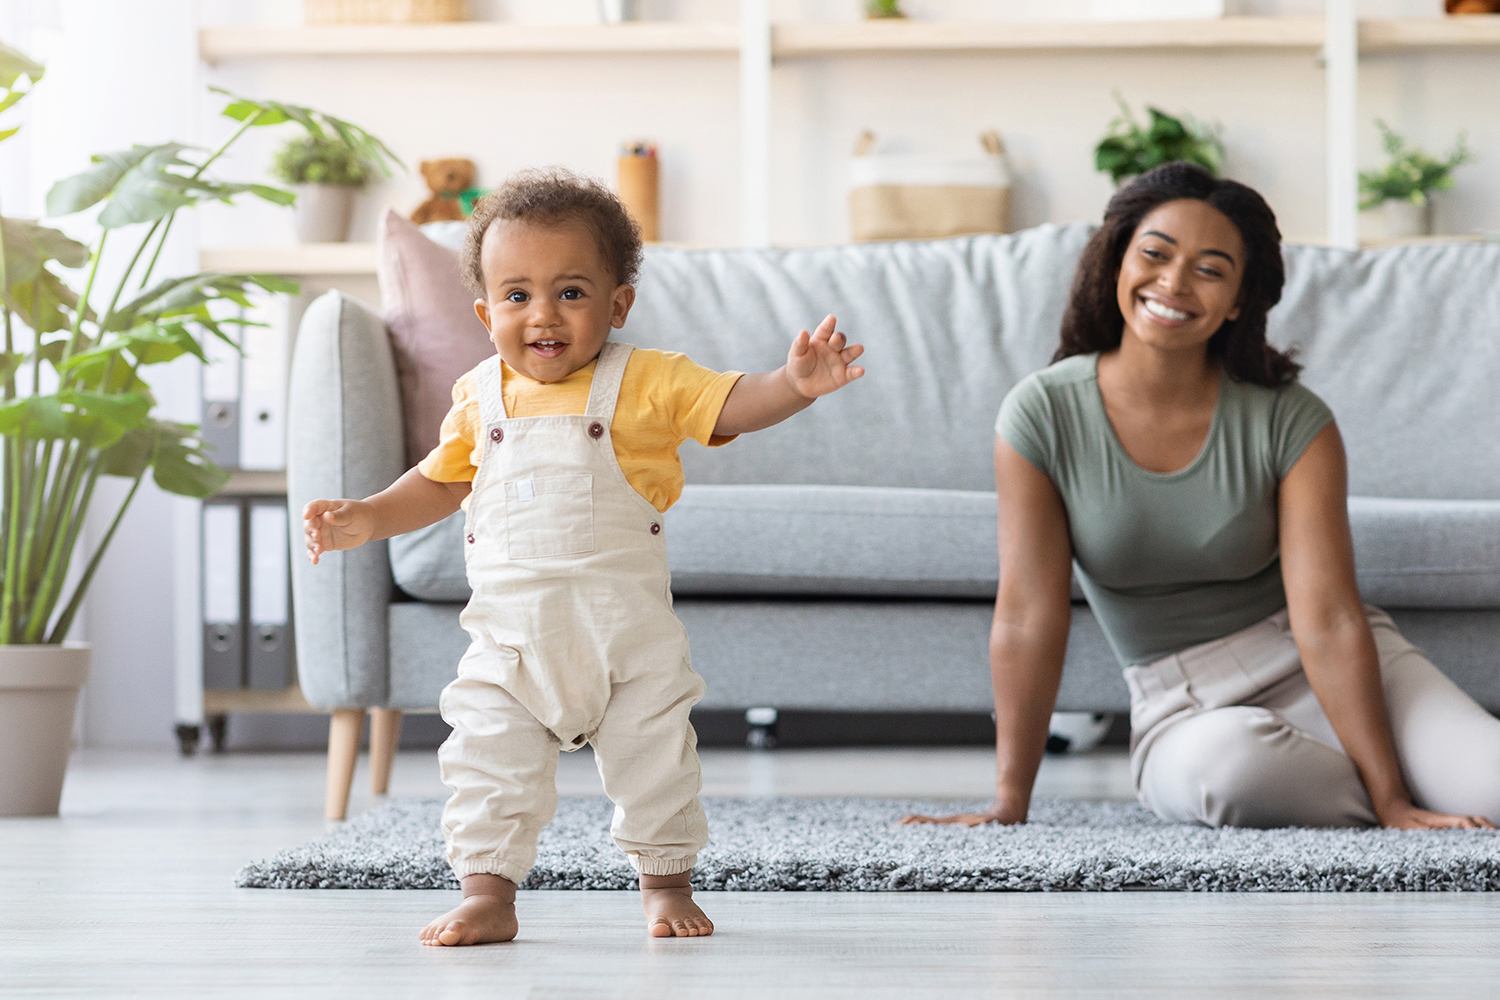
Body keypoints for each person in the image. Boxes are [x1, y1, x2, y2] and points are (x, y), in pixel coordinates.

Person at [302, 168, 865, 945]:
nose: (544, 315)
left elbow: (731, 403)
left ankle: (665, 884)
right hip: (510, 646)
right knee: (487, 767)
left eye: (571, 292)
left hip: (626, 643)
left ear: (617, 303)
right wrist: (366, 517)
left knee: (656, 765)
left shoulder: (647, 381)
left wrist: (793, 385)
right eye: (518, 295)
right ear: (484, 310)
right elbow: (439, 481)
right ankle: (487, 893)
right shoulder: (480, 396)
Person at [904, 162, 1500, 833]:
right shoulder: (1041, 414)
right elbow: (1026, 618)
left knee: (1493, 787)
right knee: (1233, 774)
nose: (1174, 284)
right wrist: (1009, 801)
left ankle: (1394, 788)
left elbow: (1329, 619)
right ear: (1118, 262)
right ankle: (1401, 792)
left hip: (1331, 668)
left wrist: (1394, 801)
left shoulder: (1291, 419)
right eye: (1155, 255)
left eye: (1210, 269)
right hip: (1188, 710)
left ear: (1241, 299)